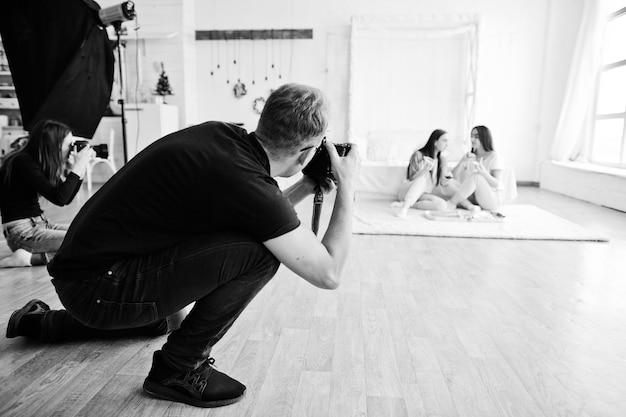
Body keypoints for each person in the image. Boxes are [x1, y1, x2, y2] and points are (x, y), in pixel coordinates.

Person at [5, 83, 360, 409]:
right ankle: (179, 368)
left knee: (166, 319)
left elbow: (262, 212)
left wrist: (306, 186)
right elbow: (328, 273)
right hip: (98, 288)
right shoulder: (248, 182)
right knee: (259, 253)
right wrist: (349, 188)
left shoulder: (223, 137)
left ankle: (44, 324)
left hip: (86, 277)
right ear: (306, 152)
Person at [0, 119, 94, 267]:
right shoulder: (22, 162)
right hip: (22, 233)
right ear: (54, 145)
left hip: (41, 224)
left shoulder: (39, 161)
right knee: (85, 243)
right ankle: (27, 259)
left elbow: (66, 199)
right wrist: (78, 165)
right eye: (69, 145)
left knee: (91, 232)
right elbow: (60, 198)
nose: (71, 149)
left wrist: (77, 170)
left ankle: (31, 255)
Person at [394, 129, 454, 218]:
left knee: (442, 205)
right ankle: (404, 208)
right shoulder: (418, 155)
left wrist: (448, 176)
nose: (447, 144)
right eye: (444, 140)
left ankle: (410, 204)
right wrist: (425, 170)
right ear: (435, 142)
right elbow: (411, 177)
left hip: (422, 194)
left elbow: (442, 182)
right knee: (422, 180)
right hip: (407, 191)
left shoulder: (442, 160)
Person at [447, 125, 502, 211]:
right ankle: (468, 206)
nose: (472, 139)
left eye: (476, 137)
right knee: (447, 181)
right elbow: (453, 176)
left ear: (484, 138)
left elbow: (497, 184)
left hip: (491, 200)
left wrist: (484, 173)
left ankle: (451, 203)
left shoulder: (494, 156)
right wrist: (462, 161)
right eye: (471, 136)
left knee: (476, 176)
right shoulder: (470, 156)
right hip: (473, 199)